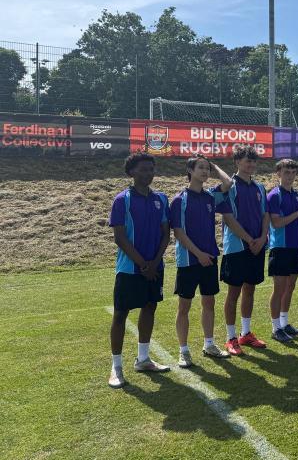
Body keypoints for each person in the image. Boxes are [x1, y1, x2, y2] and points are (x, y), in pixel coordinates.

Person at [107, 153, 171, 388]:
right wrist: (143, 264)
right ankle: (116, 366)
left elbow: (166, 233)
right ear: (132, 172)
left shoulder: (161, 199)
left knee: (149, 307)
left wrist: (154, 263)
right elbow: (120, 238)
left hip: (155, 267)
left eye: (151, 169)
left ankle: (143, 359)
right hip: (129, 269)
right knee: (120, 314)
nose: (148, 173)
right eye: (143, 169)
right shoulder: (121, 200)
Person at [170, 154, 234, 368]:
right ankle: (184, 350)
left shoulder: (210, 197)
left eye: (207, 168)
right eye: (201, 168)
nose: (205, 172)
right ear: (190, 171)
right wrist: (198, 254)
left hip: (210, 259)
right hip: (189, 260)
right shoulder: (180, 199)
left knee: (209, 302)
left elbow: (228, 183)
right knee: (184, 306)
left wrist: (215, 165)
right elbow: (178, 232)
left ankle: (209, 344)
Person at [214, 145, 270, 355]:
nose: (251, 164)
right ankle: (230, 337)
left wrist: (262, 237)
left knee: (250, 289)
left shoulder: (259, 187)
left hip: (257, 245)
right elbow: (228, 218)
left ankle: (245, 334)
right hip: (237, 247)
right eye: (247, 161)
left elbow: (266, 215)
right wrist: (249, 240)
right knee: (233, 292)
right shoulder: (229, 186)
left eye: (254, 161)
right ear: (237, 162)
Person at [267, 158, 298, 343]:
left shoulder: (296, 194)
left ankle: (284, 324)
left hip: (294, 248)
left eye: (293, 172)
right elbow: (276, 223)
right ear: (278, 173)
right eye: (286, 172)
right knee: (279, 288)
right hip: (280, 248)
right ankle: (275, 327)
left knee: (290, 287)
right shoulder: (274, 195)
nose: (290, 176)